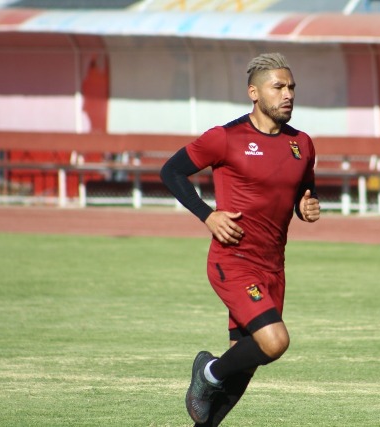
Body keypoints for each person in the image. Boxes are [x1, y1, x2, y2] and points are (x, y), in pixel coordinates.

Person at [160, 52, 320, 426]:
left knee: (246, 361)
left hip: (273, 268)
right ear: (254, 92)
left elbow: (304, 191)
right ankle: (208, 372)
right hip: (233, 261)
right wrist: (208, 215)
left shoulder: (302, 144)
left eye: (291, 87)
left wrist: (306, 206)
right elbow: (171, 172)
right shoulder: (225, 138)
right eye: (278, 87)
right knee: (275, 342)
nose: (288, 95)